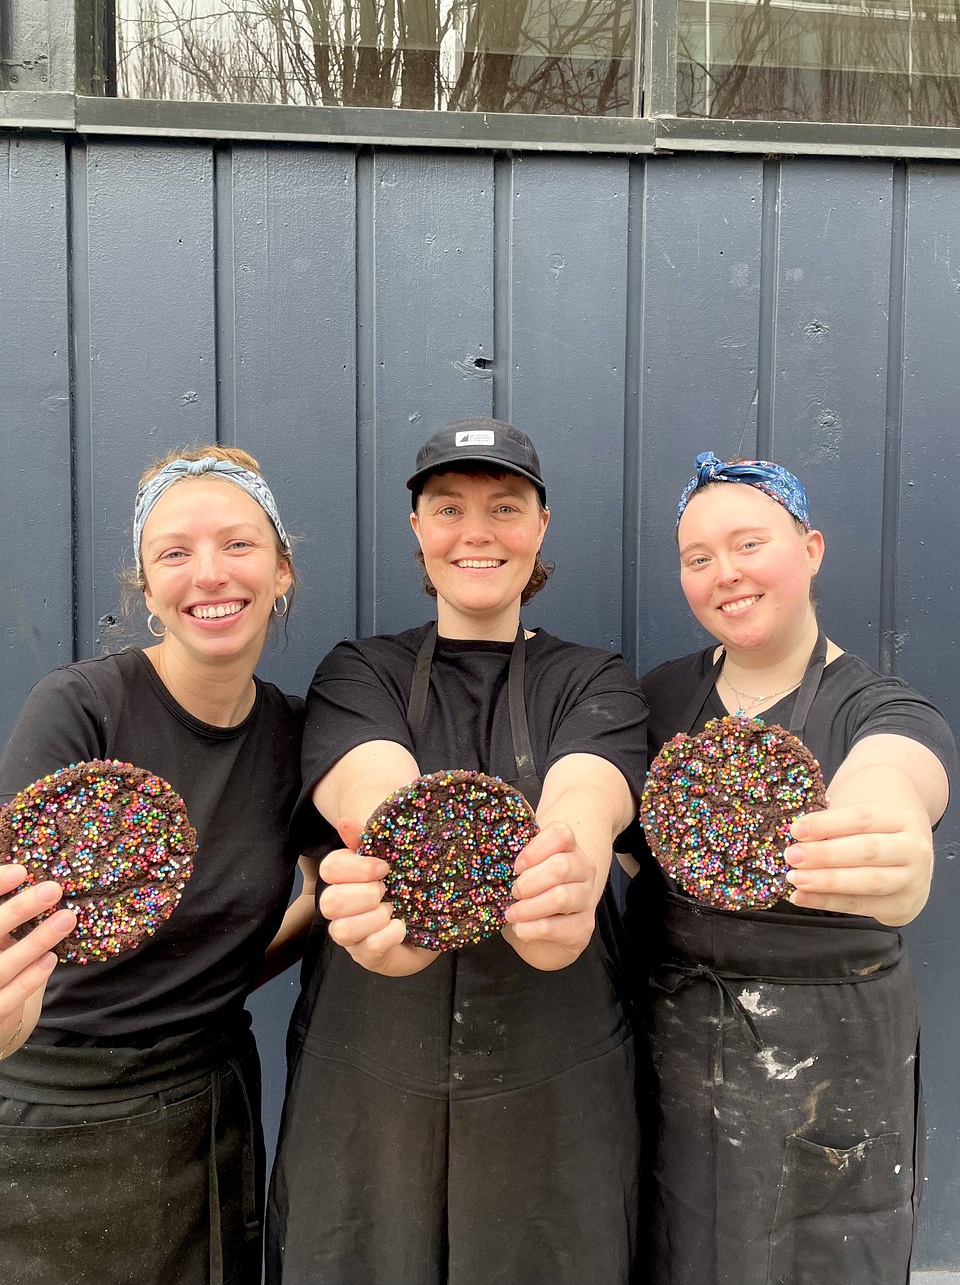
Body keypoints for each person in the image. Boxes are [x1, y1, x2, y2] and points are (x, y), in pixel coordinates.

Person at [267, 418, 647, 1285]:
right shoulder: (357, 670)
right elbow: (373, 788)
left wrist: (567, 875)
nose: (476, 531)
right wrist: (394, 875)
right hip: (368, 1081)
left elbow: (587, 794)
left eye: (504, 506)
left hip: (558, 1077)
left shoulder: (597, 678)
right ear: (417, 529)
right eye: (449, 507)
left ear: (541, 526)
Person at [622, 451, 956, 1285]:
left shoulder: (875, 706)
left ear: (810, 548)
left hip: (832, 1079)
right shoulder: (657, 701)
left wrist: (894, 842)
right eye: (698, 559)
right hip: (671, 1054)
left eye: (749, 543)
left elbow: (898, 771)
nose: (724, 573)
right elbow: (624, 848)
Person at [0, 446, 319, 1285]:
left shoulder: (295, 736)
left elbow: (321, 899)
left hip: (204, 1117)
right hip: (50, 1115)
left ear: (282, 569)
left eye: (239, 545)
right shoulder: (81, 709)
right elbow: (15, 931)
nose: (209, 573)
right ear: (147, 591)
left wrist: (224, 976)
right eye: (174, 553)